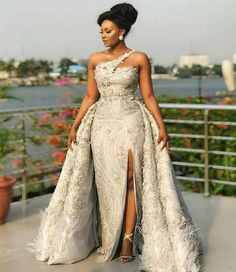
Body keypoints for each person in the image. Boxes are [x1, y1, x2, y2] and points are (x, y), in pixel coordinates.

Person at [26, 2, 203, 271]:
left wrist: (162, 126)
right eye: (100, 31)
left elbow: (149, 96)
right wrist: (75, 126)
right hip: (101, 125)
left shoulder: (139, 58)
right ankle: (108, 236)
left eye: (107, 30)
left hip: (132, 122)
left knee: (132, 179)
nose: (103, 35)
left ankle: (128, 241)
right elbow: (89, 96)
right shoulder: (95, 59)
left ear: (121, 31)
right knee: (106, 183)